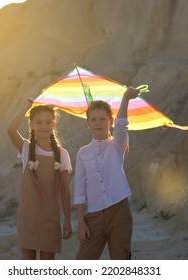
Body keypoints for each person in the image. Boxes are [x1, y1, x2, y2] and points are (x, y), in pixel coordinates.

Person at [74, 87, 140, 260]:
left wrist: (125, 98)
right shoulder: (82, 152)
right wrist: (81, 223)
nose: (98, 123)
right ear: (88, 123)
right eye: (93, 119)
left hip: (120, 210)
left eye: (103, 119)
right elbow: (79, 192)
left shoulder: (117, 145)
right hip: (94, 215)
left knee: (120, 260)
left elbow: (122, 124)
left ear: (110, 121)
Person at [7, 99, 72, 260]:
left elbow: (65, 190)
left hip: (51, 218)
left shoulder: (62, 154)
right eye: (39, 122)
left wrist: (67, 221)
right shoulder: (26, 148)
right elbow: (10, 129)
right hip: (28, 217)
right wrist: (27, 106)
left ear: (54, 125)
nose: (44, 126)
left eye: (48, 122)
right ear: (31, 125)